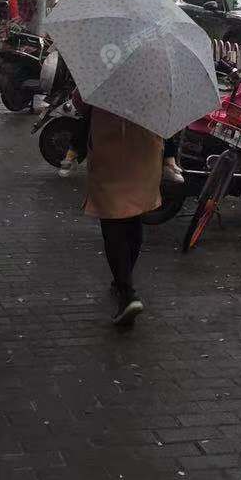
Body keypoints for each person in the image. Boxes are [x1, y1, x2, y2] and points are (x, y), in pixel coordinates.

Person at [76, 105, 163, 327]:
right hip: (145, 157)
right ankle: (123, 281)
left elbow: (82, 104)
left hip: (110, 155)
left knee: (113, 222)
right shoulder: (157, 91)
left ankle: (126, 292)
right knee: (133, 217)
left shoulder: (103, 89)